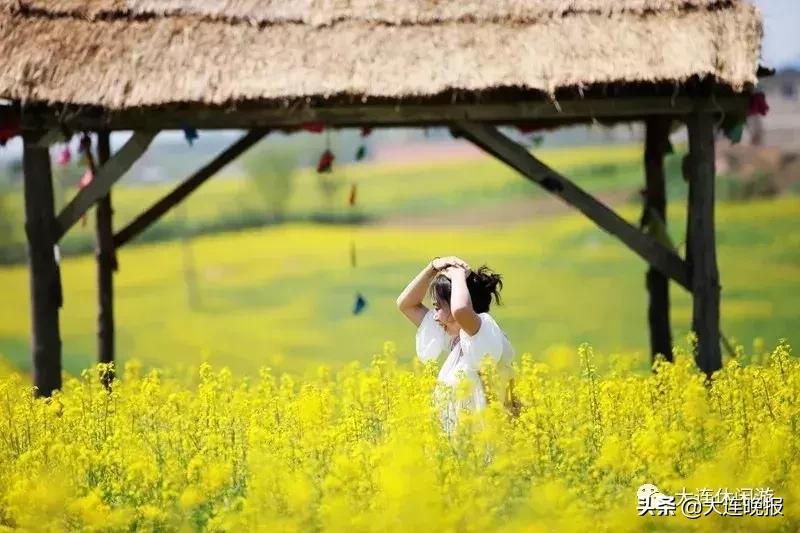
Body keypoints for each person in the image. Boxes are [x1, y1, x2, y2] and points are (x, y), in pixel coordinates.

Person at [396, 256, 518, 434]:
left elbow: (460, 310)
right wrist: (432, 268)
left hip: (492, 447)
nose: (435, 316)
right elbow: (406, 305)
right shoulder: (457, 341)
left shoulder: (484, 333)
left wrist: (458, 275)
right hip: (468, 450)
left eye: (438, 307)